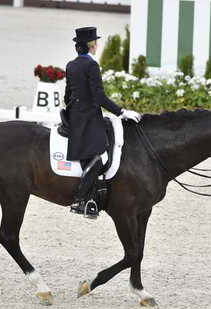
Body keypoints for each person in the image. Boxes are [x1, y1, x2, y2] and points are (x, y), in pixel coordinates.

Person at [64, 26, 141, 218]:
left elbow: (67, 96)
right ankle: (80, 199)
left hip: (74, 115)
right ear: (92, 45)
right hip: (87, 118)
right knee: (101, 157)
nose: (97, 46)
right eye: (96, 43)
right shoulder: (91, 65)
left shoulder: (71, 65)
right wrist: (121, 112)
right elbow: (99, 97)